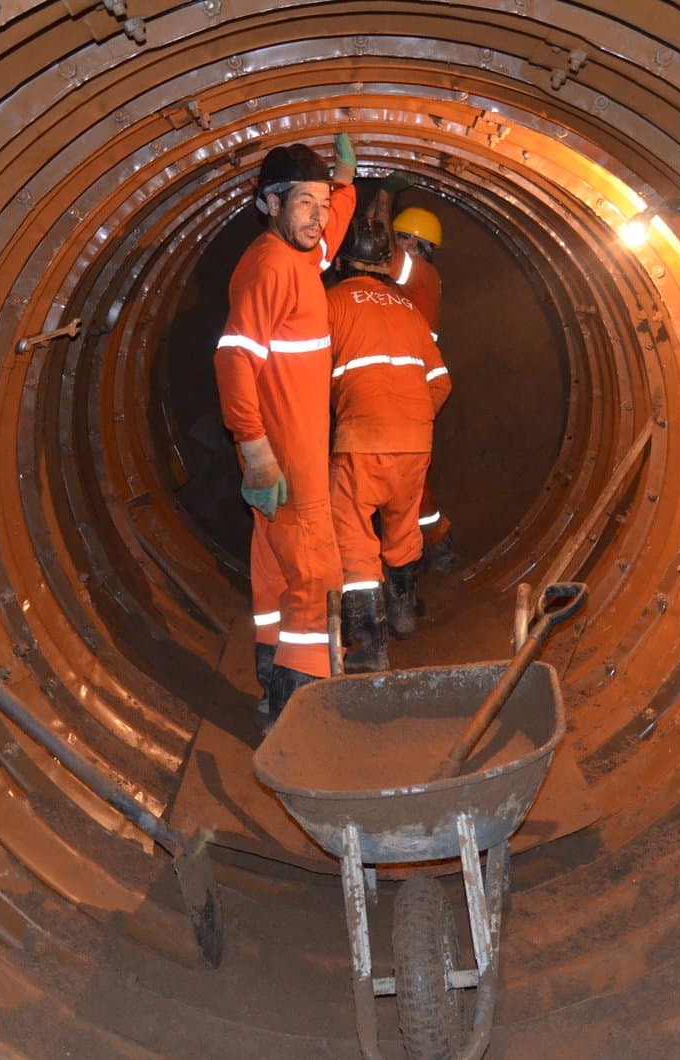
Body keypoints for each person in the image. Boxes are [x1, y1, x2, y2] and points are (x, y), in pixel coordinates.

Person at [214, 134, 357, 721]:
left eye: (321, 204)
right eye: (305, 203)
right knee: (318, 576)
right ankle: (303, 714)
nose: (317, 217)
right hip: (287, 463)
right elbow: (232, 357)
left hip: (287, 460)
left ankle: (271, 692)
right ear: (269, 204)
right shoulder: (271, 269)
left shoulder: (301, 255)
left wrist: (342, 186)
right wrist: (255, 450)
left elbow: (328, 237)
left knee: (275, 574)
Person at [326, 216, 451, 662]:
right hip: (415, 440)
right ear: (385, 261)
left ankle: (368, 646)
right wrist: (411, 418)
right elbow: (441, 382)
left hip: (362, 438)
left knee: (353, 534)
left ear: (342, 260)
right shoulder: (408, 309)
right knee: (402, 524)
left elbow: (307, 375)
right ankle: (403, 613)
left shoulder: (332, 303)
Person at [370, 176, 457, 573]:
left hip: (409, 393)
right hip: (389, 393)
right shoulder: (388, 287)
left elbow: (380, 248)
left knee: (406, 481)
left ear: (417, 245)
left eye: (402, 238)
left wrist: (385, 197)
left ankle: (430, 546)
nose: (394, 243)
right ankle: (421, 547)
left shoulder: (420, 275)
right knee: (398, 478)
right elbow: (371, 242)